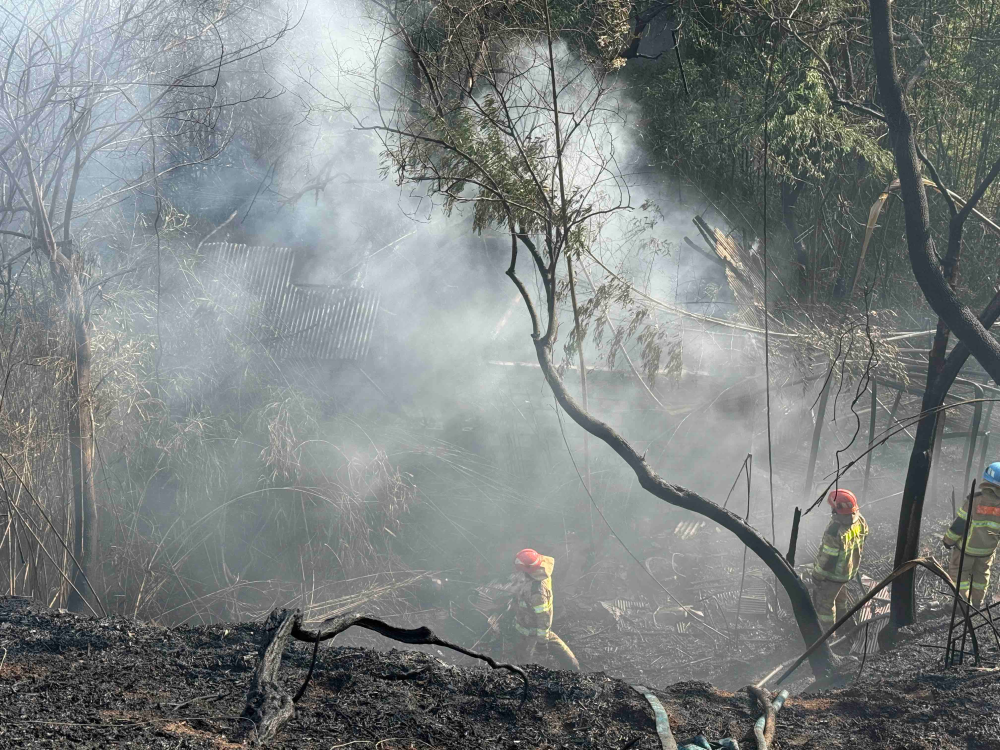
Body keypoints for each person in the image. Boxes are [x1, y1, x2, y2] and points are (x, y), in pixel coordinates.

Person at [943, 462, 1000, 608]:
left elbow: (960, 524)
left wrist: (948, 541)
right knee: (981, 577)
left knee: (958, 574)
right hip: (987, 552)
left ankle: (962, 603)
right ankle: (976, 604)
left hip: (965, 550)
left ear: (986, 480)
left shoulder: (974, 500)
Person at [513, 548, 580, 671]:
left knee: (525, 666)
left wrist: (542, 643)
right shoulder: (542, 570)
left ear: (527, 571)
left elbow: (543, 619)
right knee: (567, 657)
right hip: (535, 628)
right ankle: (574, 668)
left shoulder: (537, 594)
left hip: (532, 632)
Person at [811, 489, 869, 630]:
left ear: (836, 509)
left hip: (833, 575)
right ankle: (844, 621)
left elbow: (828, 557)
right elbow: (865, 534)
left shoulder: (834, 530)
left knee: (826, 604)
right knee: (840, 596)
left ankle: (828, 636)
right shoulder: (859, 519)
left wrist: (817, 575)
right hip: (849, 569)